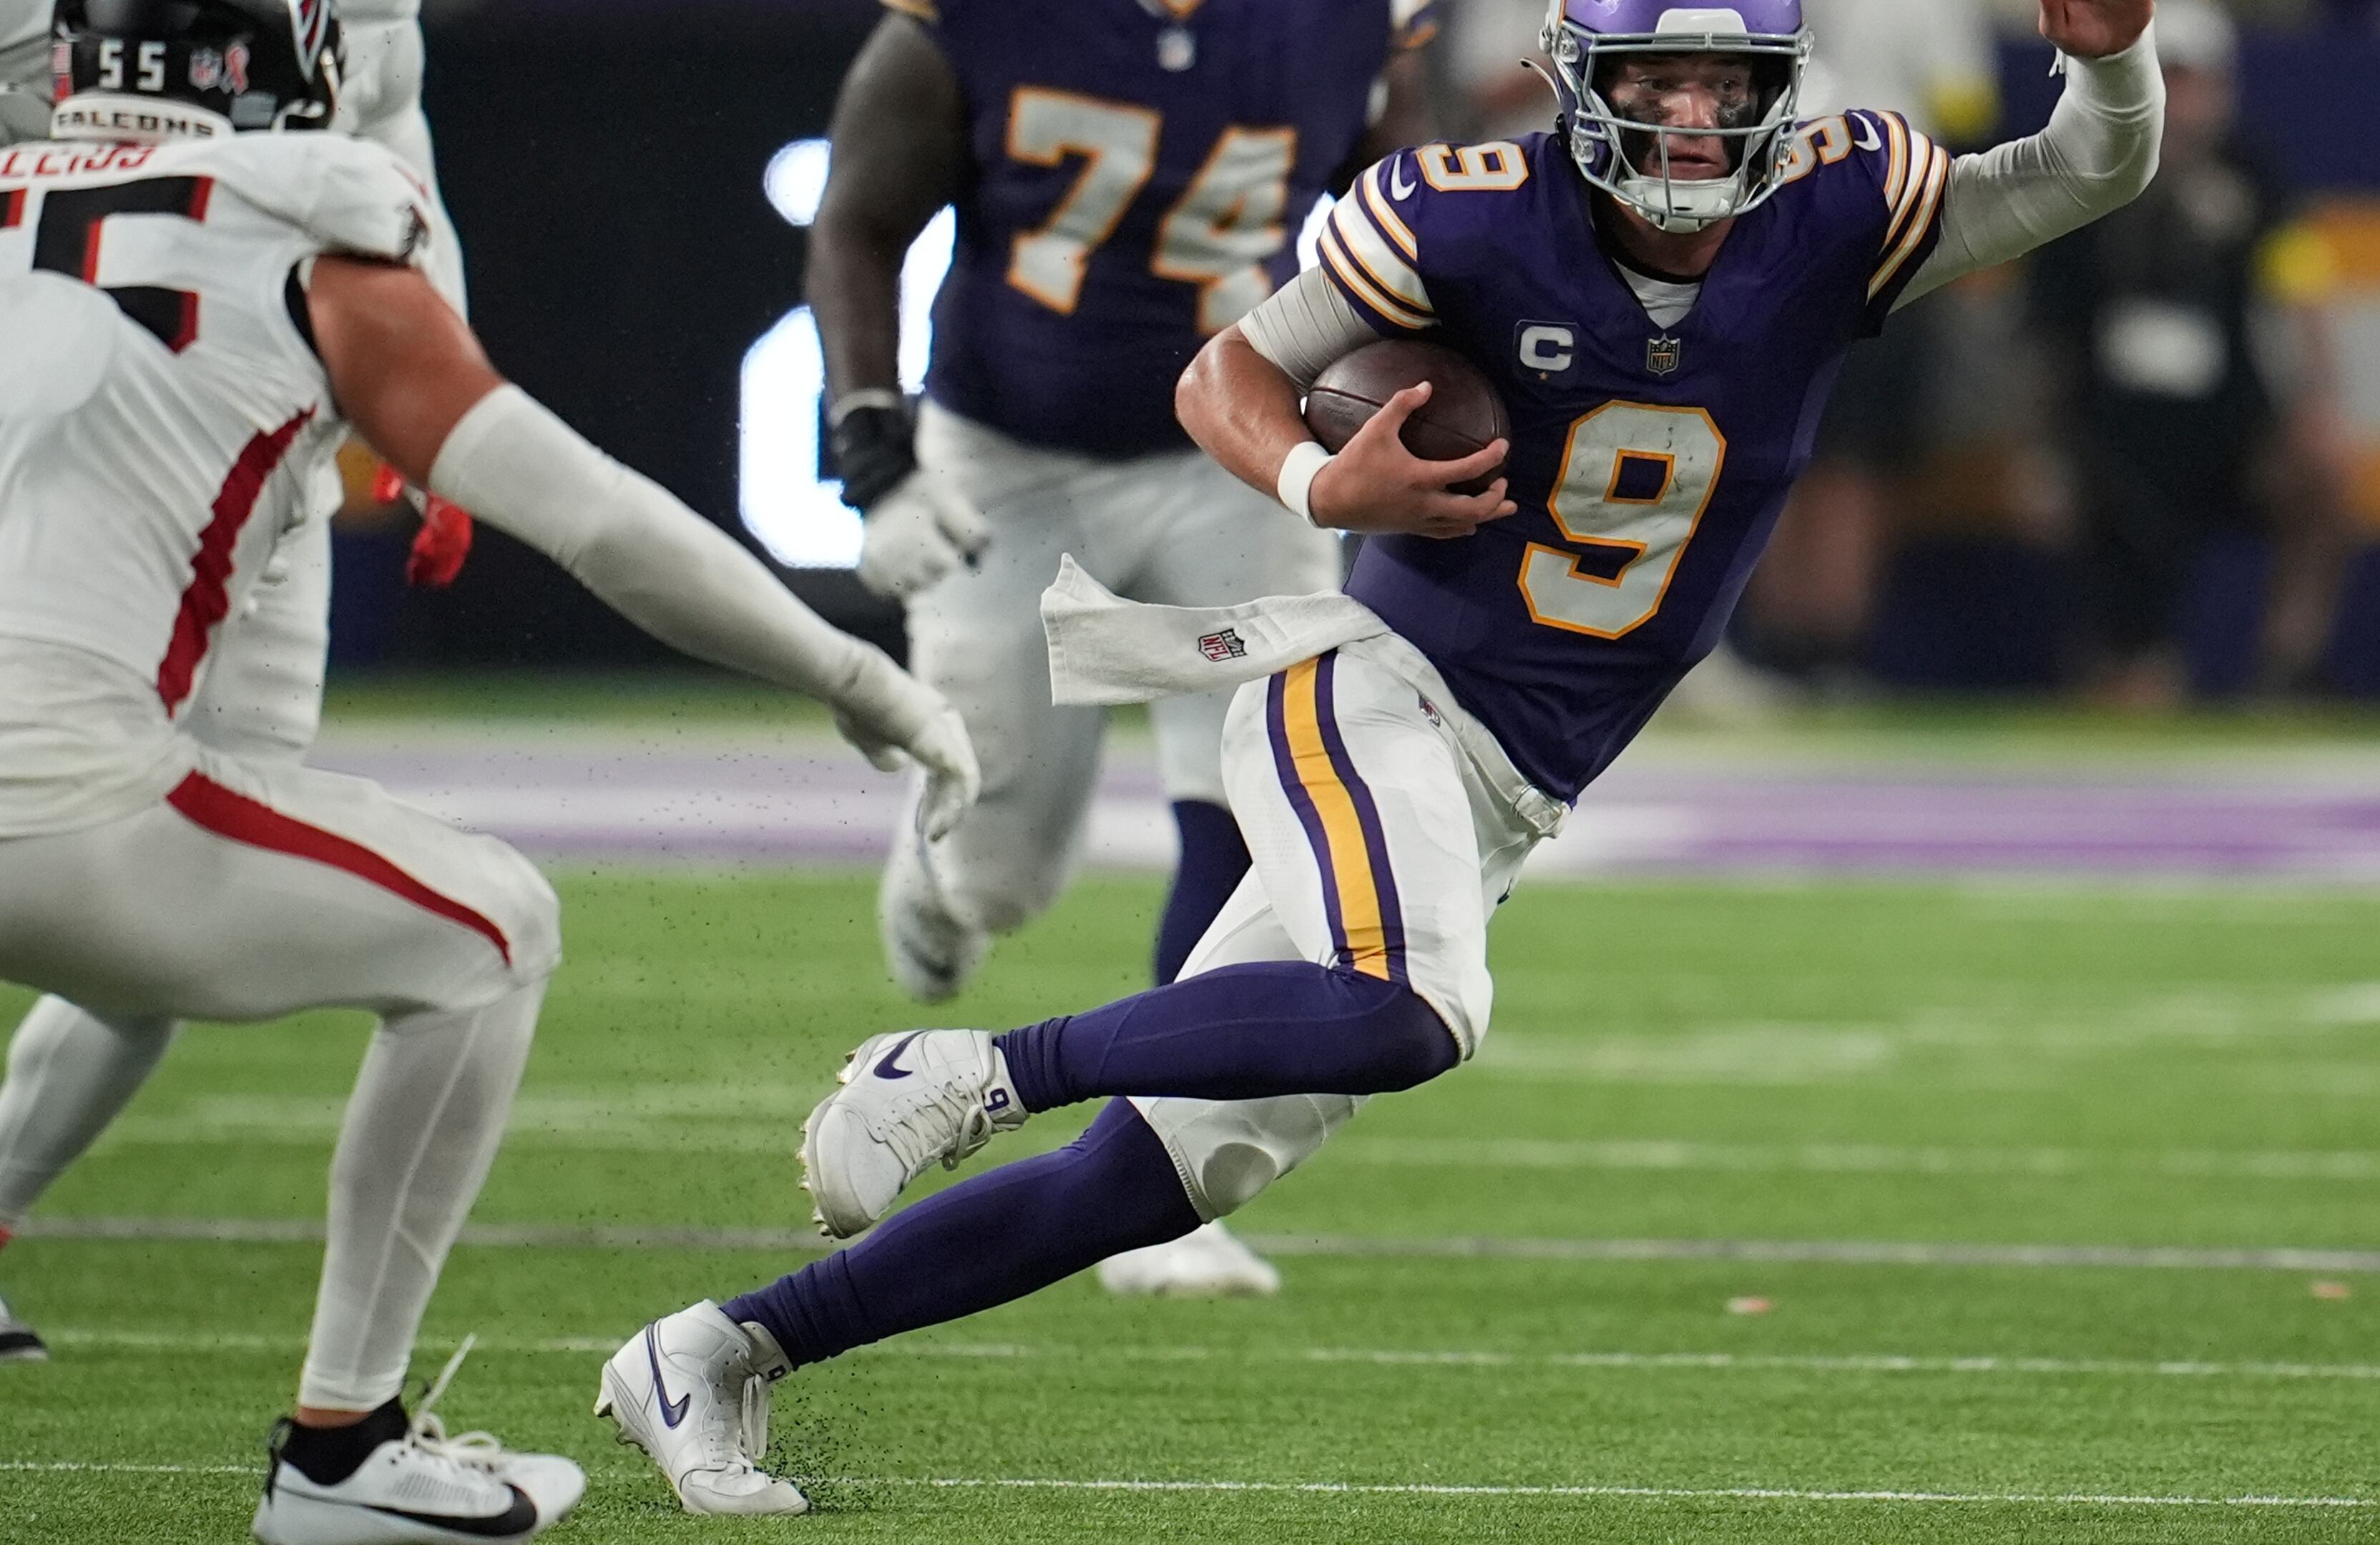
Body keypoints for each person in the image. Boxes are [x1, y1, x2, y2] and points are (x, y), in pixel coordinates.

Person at [597, 0, 2159, 1514]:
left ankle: (715, 1353)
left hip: (1515, 776)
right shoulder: (1466, 215)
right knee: (1414, 1009)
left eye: (1726, 84)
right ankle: (971, 1070)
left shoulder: (1840, 209)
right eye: (1656, 80)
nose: (1692, 117)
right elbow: (1225, 372)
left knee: (1145, 1182)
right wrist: (1310, 481)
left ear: (1778, 92)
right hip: (1378, 690)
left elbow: (2084, 166)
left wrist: (2114, 63)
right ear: (1582, 79)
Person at [0, 2, 980, 1540]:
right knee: (490, 930)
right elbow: (596, 522)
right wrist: (856, 676)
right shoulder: (314, 236)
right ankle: (343, 1455)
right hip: (57, 805)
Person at [811, 0, 1433, 1298]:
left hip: (1237, 447)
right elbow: (860, 219)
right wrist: (872, 446)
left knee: (1262, 795)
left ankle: (1164, 1189)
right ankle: (939, 879)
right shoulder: (975, 21)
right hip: (1010, 455)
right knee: (997, 878)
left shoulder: (1346, 23)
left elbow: (1421, 227)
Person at [0, 0, 471, 1369]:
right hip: (50, 441)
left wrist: (439, 407)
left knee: (172, 899)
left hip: (248, 452)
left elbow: (395, 141)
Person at [2020, 0, 2349, 703]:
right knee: (2137, 684)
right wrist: (2040, 450)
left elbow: (2302, 287)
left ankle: (2288, 667)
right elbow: (2046, 335)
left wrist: (2320, 401)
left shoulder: (2255, 176)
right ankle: (2124, 657)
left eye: (2195, 80)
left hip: (2228, 423)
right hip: (2113, 439)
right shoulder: (2077, 173)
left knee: (2322, 474)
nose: (2182, 99)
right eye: (2166, 76)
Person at [1730, 0, 2002, 691]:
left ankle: (1818, 651)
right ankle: (1786, 654)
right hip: (1793, 221)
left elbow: (1966, 115)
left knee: (1846, 455)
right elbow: (1965, 113)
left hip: (1866, 227)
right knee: (1784, 449)